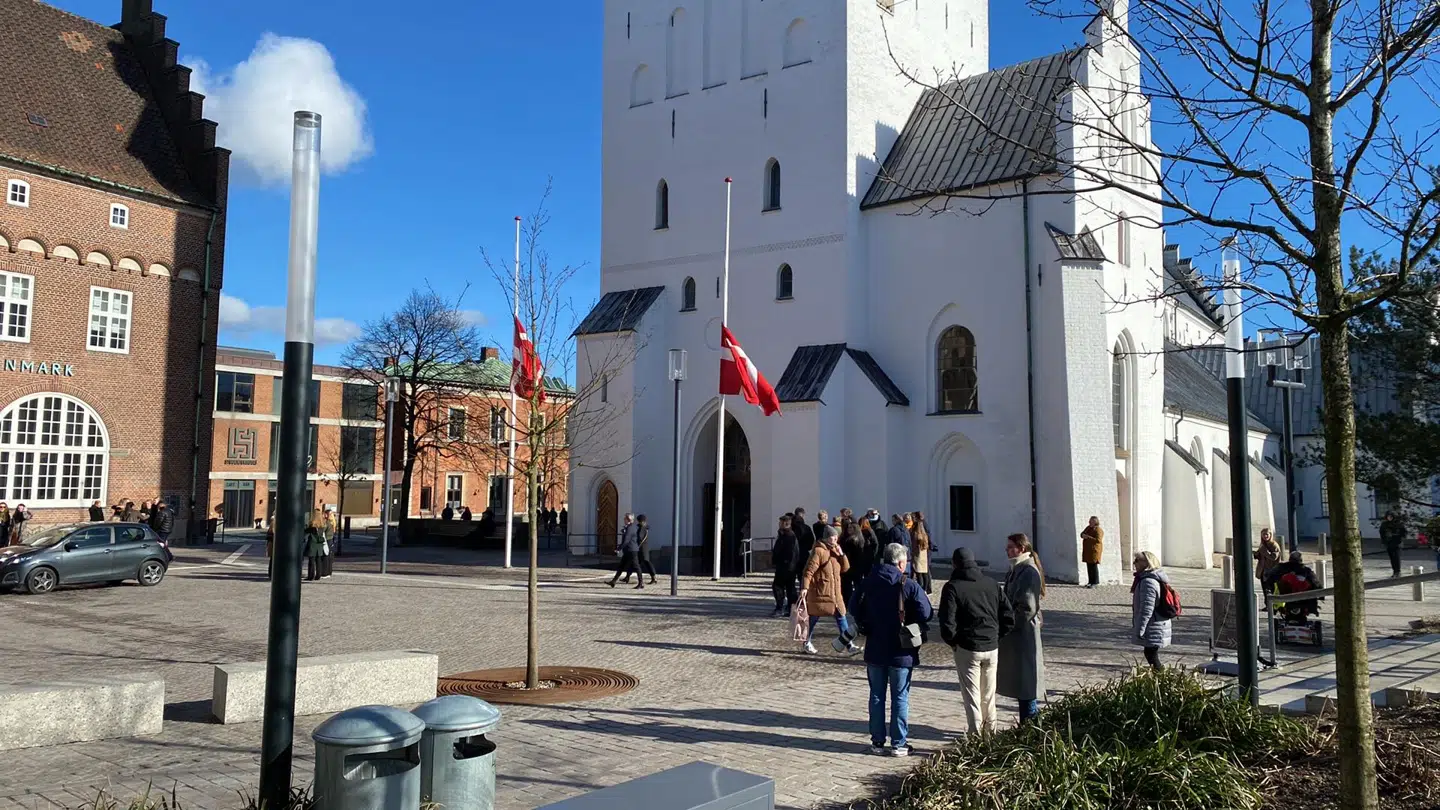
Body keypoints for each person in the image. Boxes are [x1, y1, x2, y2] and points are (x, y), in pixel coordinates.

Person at [855, 542, 932, 756]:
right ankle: (899, 743)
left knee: (876, 696)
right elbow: (926, 613)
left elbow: (853, 607)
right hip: (901, 650)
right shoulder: (908, 584)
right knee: (900, 697)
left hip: (875, 647)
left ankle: (877, 742)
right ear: (900, 563)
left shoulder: (868, 581)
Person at [940, 547, 1016, 734]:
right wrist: (996, 635)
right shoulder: (991, 583)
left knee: (972, 696)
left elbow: (947, 622)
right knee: (988, 695)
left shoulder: (953, 587)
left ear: (954, 564)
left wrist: (953, 641)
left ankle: (976, 736)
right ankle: (991, 733)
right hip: (991, 645)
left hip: (968, 647)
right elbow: (1008, 616)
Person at [997, 533, 1046, 723]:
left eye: (1011, 547)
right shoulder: (1015, 569)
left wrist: (1008, 624)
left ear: (1022, 548)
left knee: (1027, 682)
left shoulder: (1028, 571)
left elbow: (1027, 607)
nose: (1007, 550)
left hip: (1024, 634)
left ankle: (1030, 724)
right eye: (1007, 547)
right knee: (1020, 682)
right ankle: (1028, 722)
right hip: (1016, 636)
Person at [799, 525, 860, 656]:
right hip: (820, 593)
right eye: (833, 537)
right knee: (813, 618)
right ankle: (806, 642)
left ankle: (849, 644)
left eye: (837, 537)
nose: (836, 539)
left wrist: (841, 554)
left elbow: (845, 568)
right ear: (827, 538)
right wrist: (805, 588)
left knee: (841, 616)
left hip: (835, 593)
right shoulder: (819, 551)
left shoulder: (835, 550)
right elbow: (808, 571)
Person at [1131, 551, 1172, 670]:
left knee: (1151, 655)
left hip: (1153, 625)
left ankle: (1160, 677)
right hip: (1156, 623)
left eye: (1137, 561)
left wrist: (1140, 629)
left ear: (1146, 563)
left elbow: (1146, 609)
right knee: (1151, 654)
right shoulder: (1150, 579)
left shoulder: (1148, 582)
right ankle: (1159, 676)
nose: (1134, 563)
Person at [771, 514, 801, 617]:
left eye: (780, 522)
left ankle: (782, 608)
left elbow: (791, 553)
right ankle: (790, 608)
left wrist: (786, 563)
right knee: (789, 588)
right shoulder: (783, 534)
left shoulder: (789, 536)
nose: (779, 524)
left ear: (785, 523)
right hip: (786, 566)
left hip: (786, 567)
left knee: (779, 587)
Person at [609, 513, 643, 589]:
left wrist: (618, 549)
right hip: (629, 550)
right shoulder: (632, 527)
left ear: (628, 520)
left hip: (631, 550)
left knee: (636, 566)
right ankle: (613, 581)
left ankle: (641, 583)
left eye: (625, 518)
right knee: (621, 566)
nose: (624, 520)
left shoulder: (630, 528)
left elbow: (626, 540)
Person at [910, 519, 933, 594]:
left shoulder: (915, 534)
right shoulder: (924, 535)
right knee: (925, 573)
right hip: (924, 556)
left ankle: (921, 588)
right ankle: (925, 589)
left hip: (917, 555)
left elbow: (913, 546)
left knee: (919, 573)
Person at [1380, 511, 1405, 577]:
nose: (1389, 518)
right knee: (1392, 558)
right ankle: (1394, 571)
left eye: (1391, 516)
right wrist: (1384, 541)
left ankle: (1398, 572)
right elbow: (1382, 533)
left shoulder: (1399, 523)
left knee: (1396, 558)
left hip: (1397, 543)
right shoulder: (1384, 524)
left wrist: (1395, 535)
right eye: (1388, 516)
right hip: (1389, 543)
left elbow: (1403, 533)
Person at [635, 514, 658, 585]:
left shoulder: (642, 528)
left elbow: (640, 538)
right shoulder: (644, 527)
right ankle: (627, 576)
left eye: (639, 521)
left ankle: (653, 577)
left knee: (645, 562)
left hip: (641, 548)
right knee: (637, 562)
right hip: (643, 548)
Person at [1081, 517, 1104, 588]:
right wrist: (1082, 535)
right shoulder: (1088, 528)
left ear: (1095, 522)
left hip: (1094, 551)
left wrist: (1088, 537)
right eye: (1089, 521)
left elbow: (1098, 540)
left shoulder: (1098, 530)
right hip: (1088, 550)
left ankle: (1095, 582)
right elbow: (1082, 533)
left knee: (1093, 566)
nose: (1089, 522)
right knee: (1089, 566)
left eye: (1091, 521)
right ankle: (1090, 581)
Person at [304, 516, 325, 581]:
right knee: (318, 561)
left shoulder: (311, 528)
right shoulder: (321, 527)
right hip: (319, 546)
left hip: (312, 546)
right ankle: (318, 575)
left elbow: (305, 533)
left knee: (311, 562)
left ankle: (311, 576)